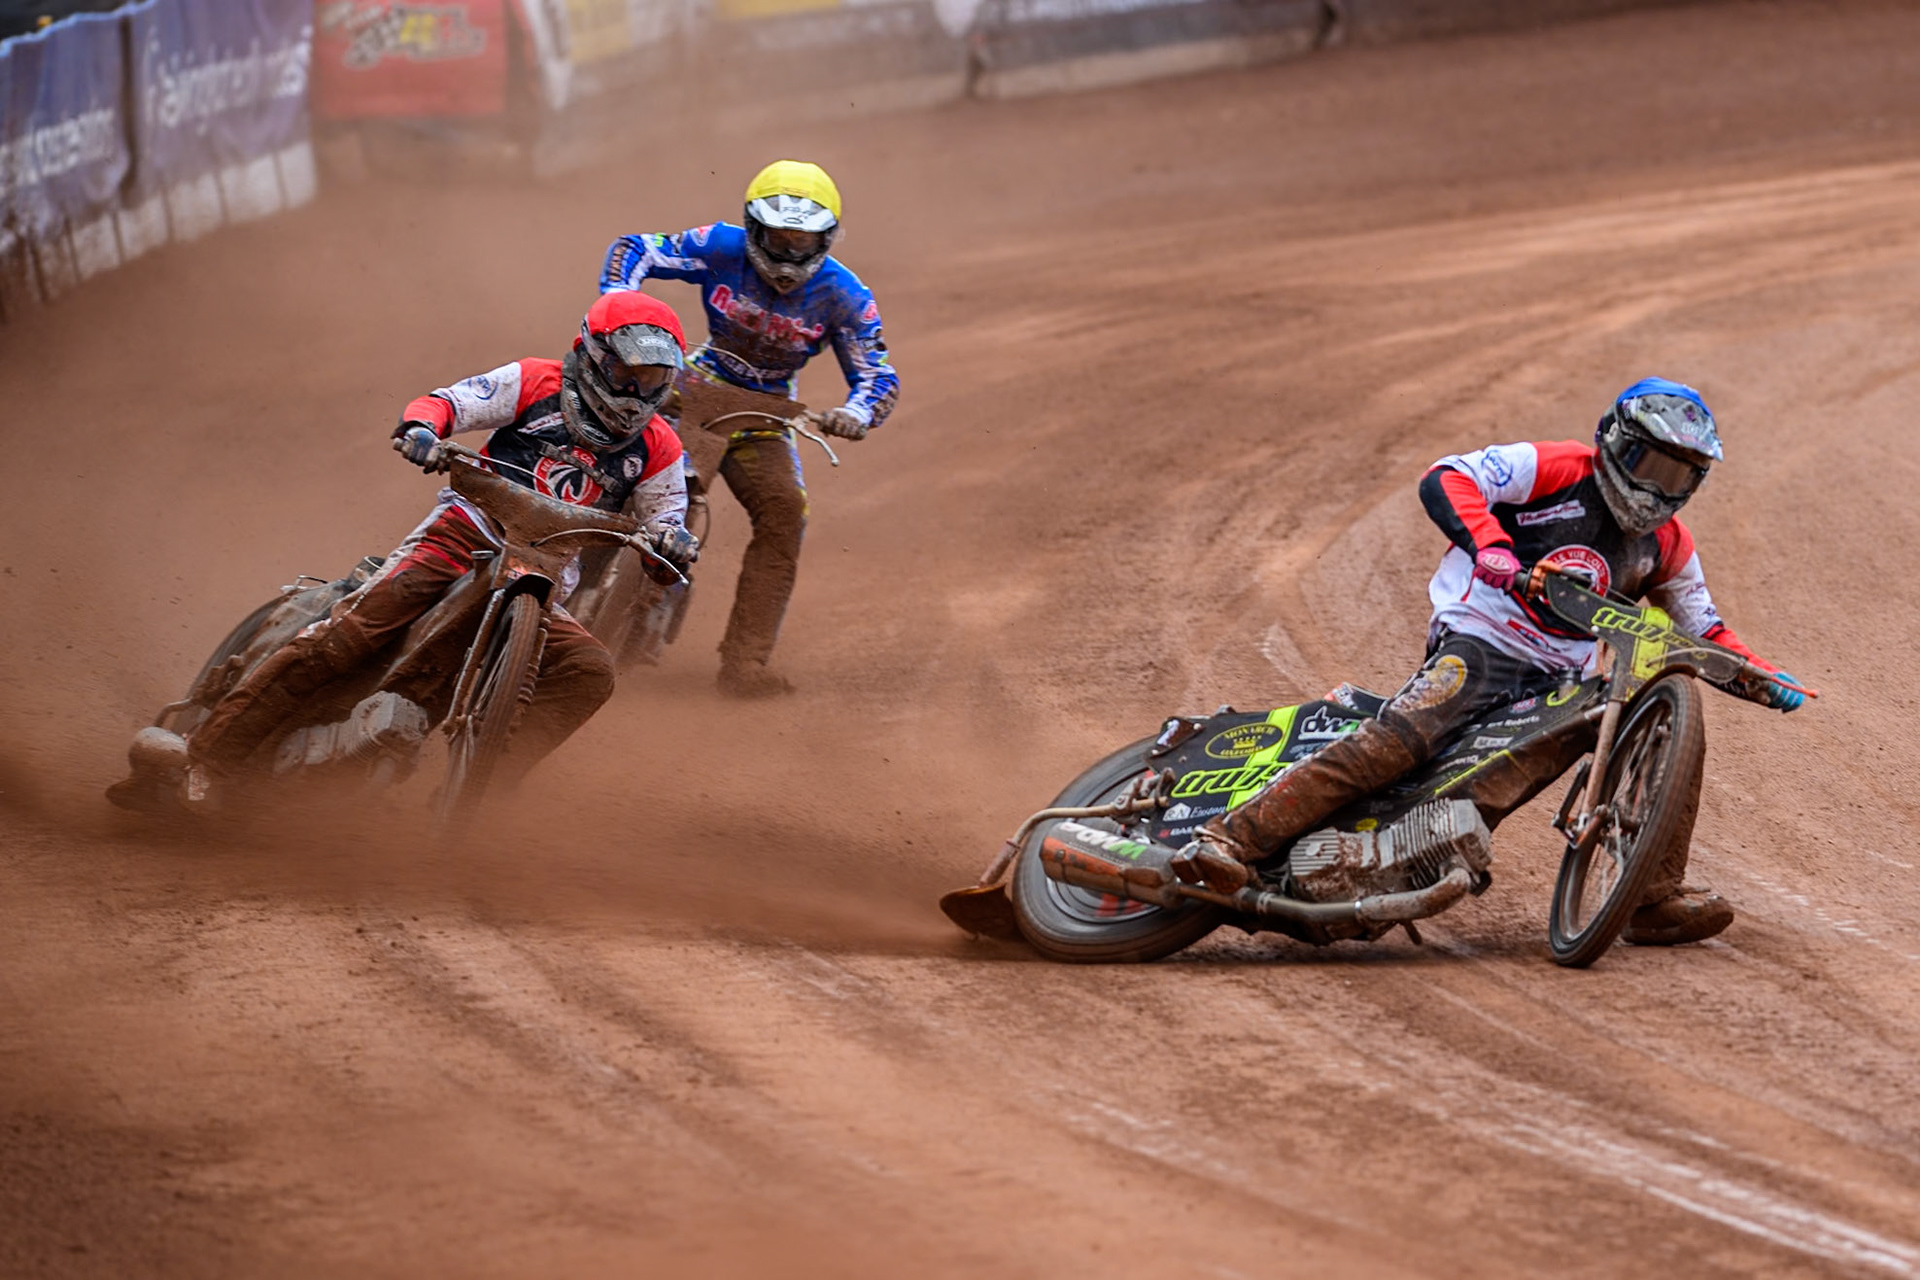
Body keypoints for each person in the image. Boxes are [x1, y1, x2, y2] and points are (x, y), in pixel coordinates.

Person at [1170, 378, 1803, 946]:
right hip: (1482, 636)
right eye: (1651, 464)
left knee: (1503, 785)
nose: (1657, 488)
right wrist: (1491, 545)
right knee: (1402, 741)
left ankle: (1651, 896)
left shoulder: (1669, 544)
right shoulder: (1553, 465)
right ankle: (1228, 839)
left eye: (1679, 476)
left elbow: (1705, 628)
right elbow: (1448, 476)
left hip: (1564, 679)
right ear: (1615, 441)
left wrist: (1762, 677)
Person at [182, 291, 700, 792]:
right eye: (624, 373)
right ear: (592, 355)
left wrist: (671, 547)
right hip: (462, 539)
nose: (634, 392)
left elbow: (666, 519)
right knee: (351, 634)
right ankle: (205, 757)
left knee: (590, 672)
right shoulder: (533, 380)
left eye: (649, 378)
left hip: (545, 579)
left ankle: (488, 785)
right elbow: (448, 403)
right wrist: (423, 429)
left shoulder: (660, 446)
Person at [598, 159, 900, 698]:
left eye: (802, 243)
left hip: (765, 414)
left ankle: (746, 662)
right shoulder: (720, 245)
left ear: (826, 240)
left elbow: (878, 375)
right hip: (691, 389)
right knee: (638, 475)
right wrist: (620, 301)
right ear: (752, 228)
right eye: (777, 239)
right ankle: (563, 575)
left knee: (786, 511)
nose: (787, 256)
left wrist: (855, 413)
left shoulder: (846, 295)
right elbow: (634, 248)